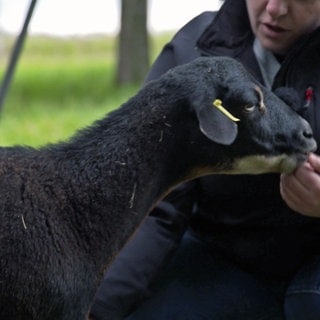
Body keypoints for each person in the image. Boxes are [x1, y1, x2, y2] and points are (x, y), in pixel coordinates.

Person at [90, 0, 320, 319]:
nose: (275, 9)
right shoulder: (195, 52)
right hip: (224, 256)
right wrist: (93, 309)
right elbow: (155, 202)